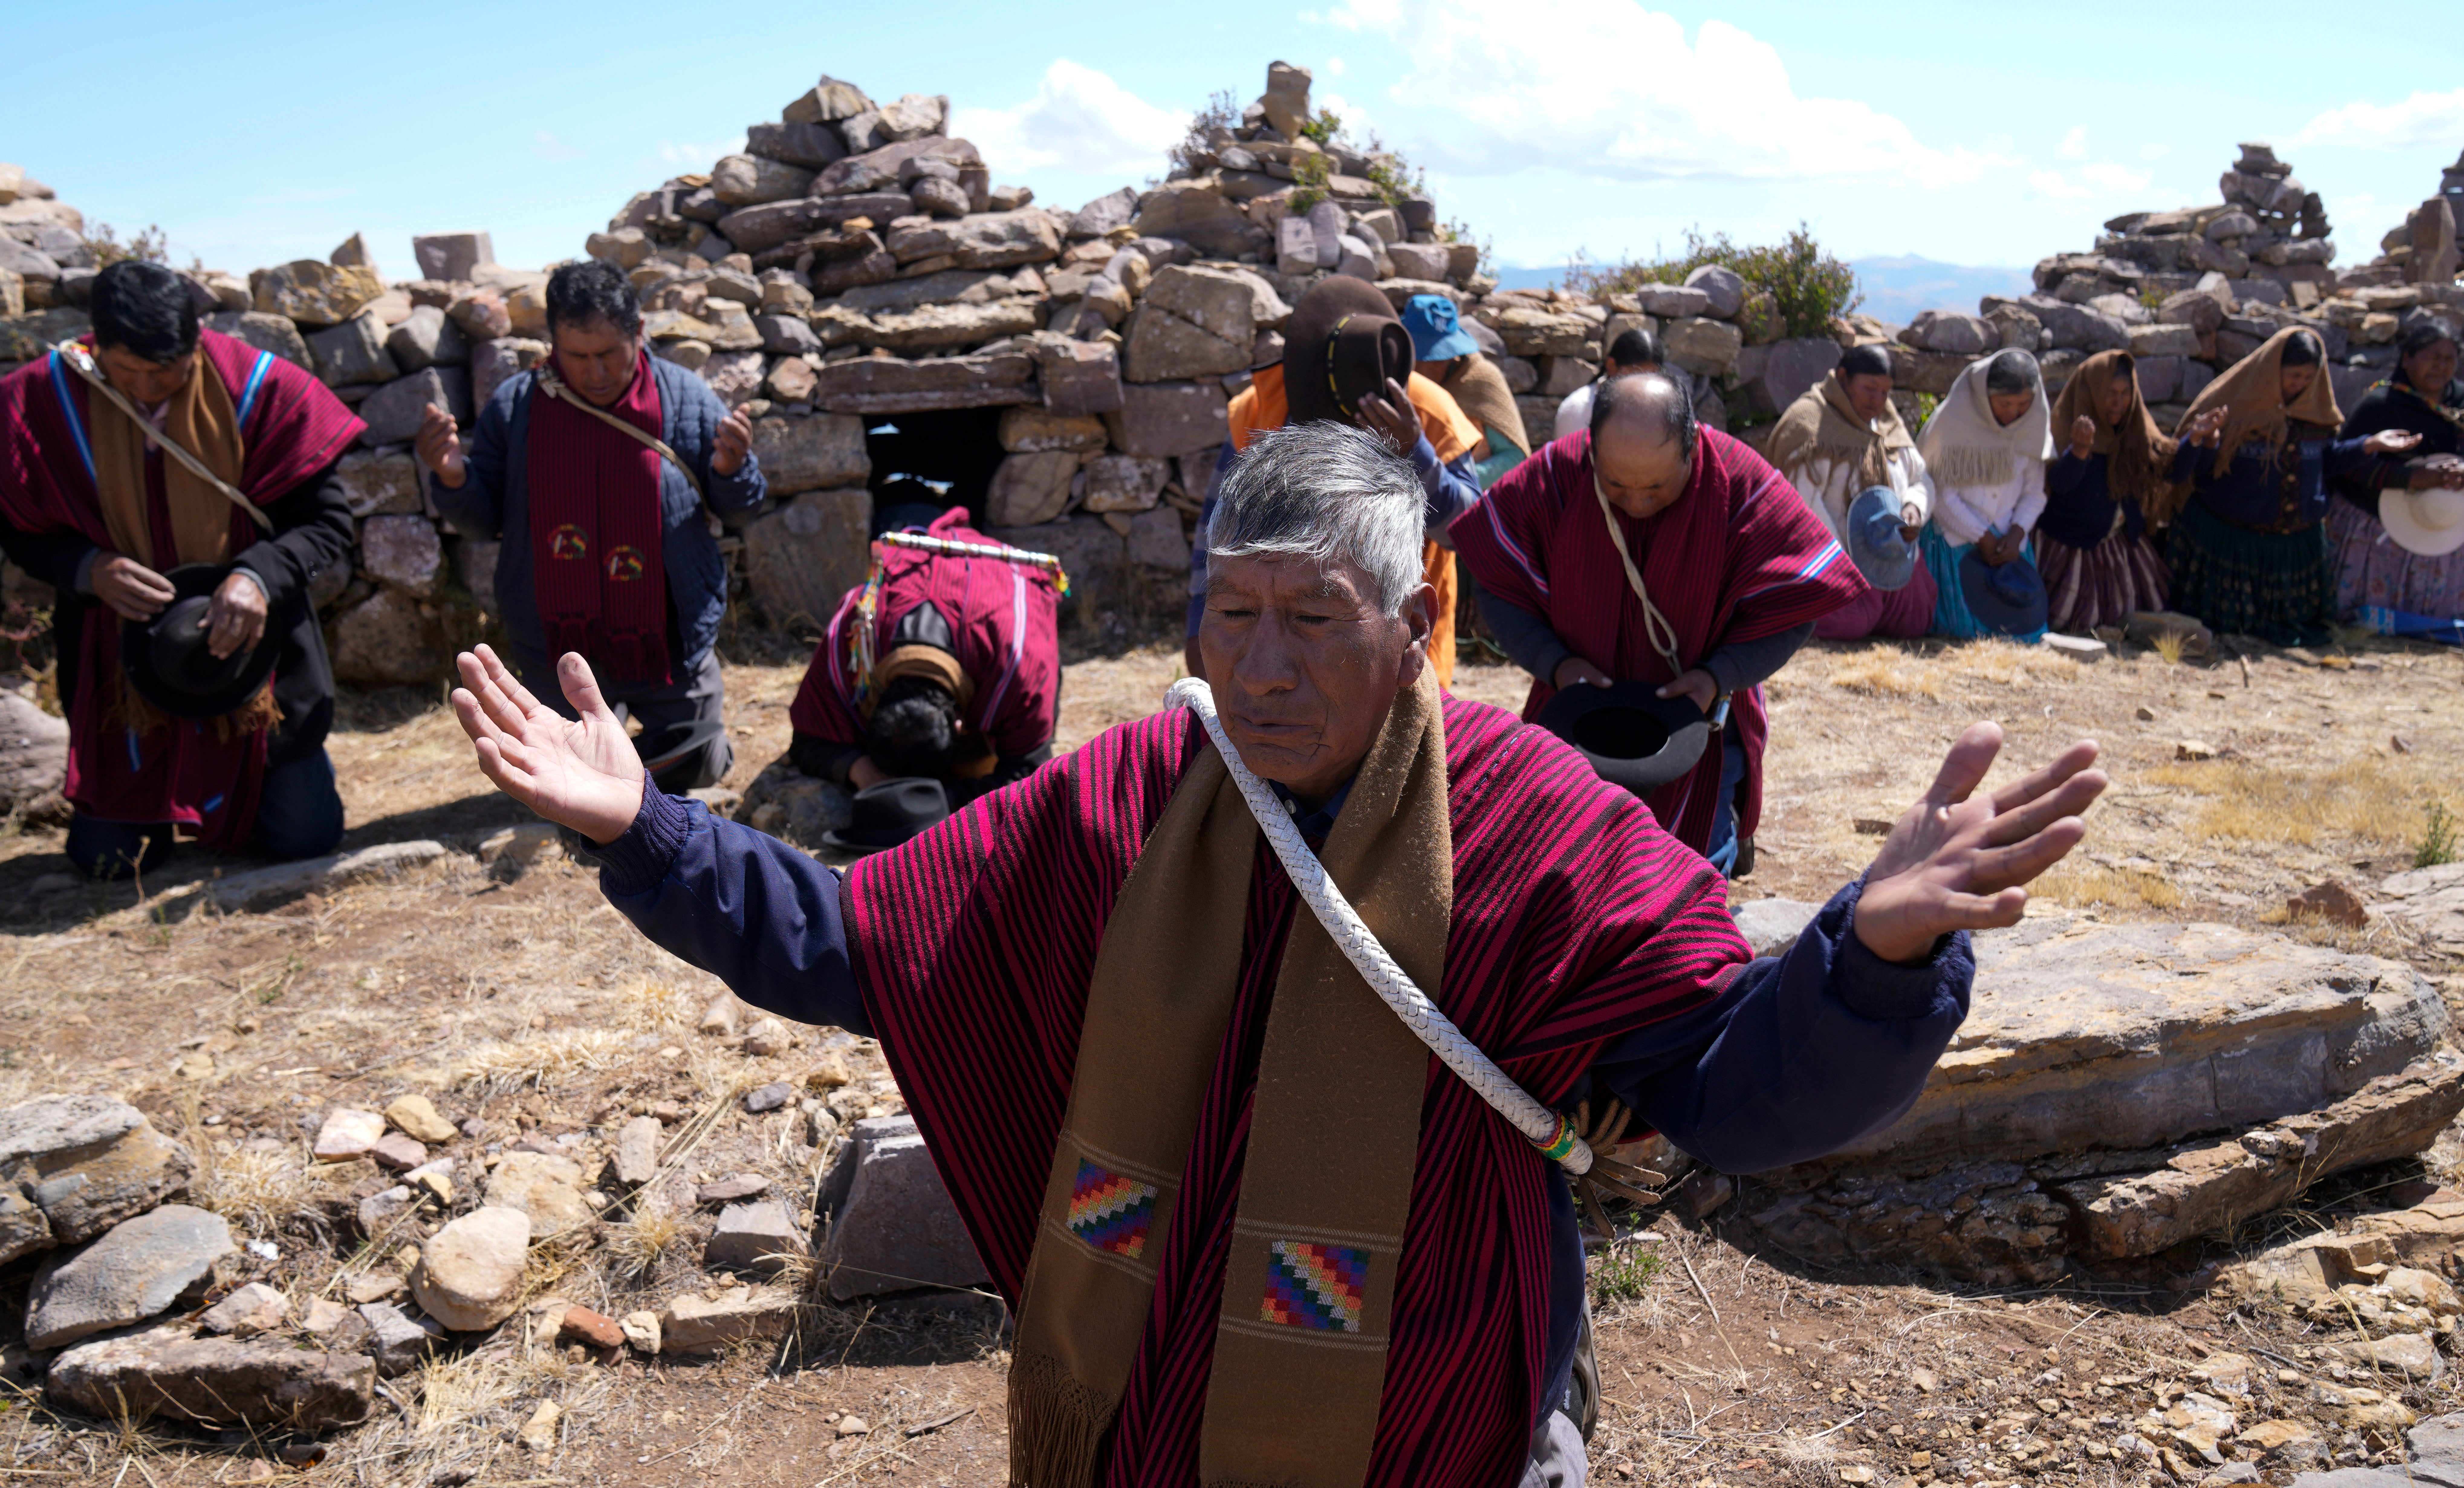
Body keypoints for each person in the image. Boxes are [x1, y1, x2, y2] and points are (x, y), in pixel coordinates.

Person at [447, 419, 2105, 1488]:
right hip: (1149, 1412)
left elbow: (1736, 1090)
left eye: (1313, 617)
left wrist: (1871, 960)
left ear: (1411, 623)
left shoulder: (1529, 826)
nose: (1261, 665)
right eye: (1232, 613)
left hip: (1430, 1423)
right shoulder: (1125, 797)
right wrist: (644, 828)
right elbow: (855, 936)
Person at [0, 261, 360, 878]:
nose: (144, 388)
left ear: (196, 344)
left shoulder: (260, 391)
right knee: (110, 862)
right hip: (121, 662)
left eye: (164, 371)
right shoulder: (44, 400)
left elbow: (326, 523)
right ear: (96, 345)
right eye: (126, 370)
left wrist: (256, 577)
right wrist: (86, 567)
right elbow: (19, 527)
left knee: (304, 837)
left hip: (250, 659)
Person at [1453, 372, 1865, 874]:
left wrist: (1719, 675)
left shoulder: (1740, 483)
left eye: (1656, 487)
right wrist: (1553, 663)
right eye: (1616, 485)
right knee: (1562, 862)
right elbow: (1496, 573)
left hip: (1695, 722)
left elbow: (1799, 599)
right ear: (1591, 451)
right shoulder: (1559, 473)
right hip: (1578, 714)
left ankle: (1723, 844)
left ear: (1691, 448)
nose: (1638, 503)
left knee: (1688, 872)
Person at [418, 259, 767, 792]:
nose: (595, 373)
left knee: (699, 758)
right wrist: (452, 476)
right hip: (556, 643)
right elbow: (482, 522)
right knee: (569, 783)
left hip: (667, 640)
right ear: (553, 343)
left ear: (639, 332)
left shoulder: (685, 399)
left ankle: (647, 802)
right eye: (577, 357)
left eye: (609, 354)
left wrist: (731, 472)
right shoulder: (516, 409)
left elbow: (739, 511)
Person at [1187, 276, 1483, 687]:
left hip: (1401, 653)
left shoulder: (1428, 411)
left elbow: (1471, 532)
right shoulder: (1264, 404)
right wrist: (1199, 624)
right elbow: (1216, 529)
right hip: (1269, 644)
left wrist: (1415, 452)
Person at [784, 507, 1061, 808]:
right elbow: (807, 737)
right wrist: (857, 768)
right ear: (869, 706)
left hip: (997, 585)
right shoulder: (854, 639)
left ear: (961, 726)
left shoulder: (1020, 664)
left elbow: (1028, 772)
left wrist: (943, 802)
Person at [2167, 327, 2421, 647]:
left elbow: (2327, 462)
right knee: (2227, 629)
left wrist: (2370, 445)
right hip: (2232, 541)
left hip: (2293, 543)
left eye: (2308, 378)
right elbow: (2193, 471)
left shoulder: (2316, 416)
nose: (2300, 385)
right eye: (2293, 376)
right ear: (2272, 372)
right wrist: (2204, 440)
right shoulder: (2234, 411)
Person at [1764, 344, 1939, 640]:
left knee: (1916, 618)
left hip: (1887, 554)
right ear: (1843, 378)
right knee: (1851, 622)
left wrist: (1914, 508)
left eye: (1885, 392)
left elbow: (1920, 478)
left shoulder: (1887, 424)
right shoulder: (1809, 426)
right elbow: (1802, 506)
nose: (1878, 400)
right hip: (1830, 561)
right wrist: (1844, 566)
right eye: (1869, 389)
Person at [2038, 350, 2198, 633]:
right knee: (2072, 620)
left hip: (2118, 547)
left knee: (2139, 613)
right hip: (2070, 547)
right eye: (2111, 394)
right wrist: (2079, 451)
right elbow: (2059, 485)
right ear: (2092, 393)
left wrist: (2195, 440)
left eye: (2126, 394)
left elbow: (2169, 471)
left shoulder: (2135, 434)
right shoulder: (2067, 430)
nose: (2119, 403)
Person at [2328, 321, 2464, 628]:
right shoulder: (2380, 406)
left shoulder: (2461, 403)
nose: (2441, 367)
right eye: (2433, 357)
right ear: (2407, 359)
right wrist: (2411, 478)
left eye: (2449, 359)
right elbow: (2345, 465)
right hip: (2376, 522)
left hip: (2446, 521)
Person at [1916, 350, 2053, 642]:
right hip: (1956, 538)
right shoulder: (1952, 426)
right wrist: (1983, 538)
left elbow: (2034, 492)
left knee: (2027, 635)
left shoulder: (2030, 429)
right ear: (1982, 395)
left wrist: (2015, 536)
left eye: (2023, 405)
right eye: (2004, 404)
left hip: (2009, 546)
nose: (2014, 414)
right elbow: (1941, 493)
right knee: (1964, 632)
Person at [1401, 293, 1532, 491]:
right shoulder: (1398, 380)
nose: (1422, 369)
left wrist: (1450, 483)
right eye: (1417, 357)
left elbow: (1514, 458)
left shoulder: (1482, 380)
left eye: (1435, 359)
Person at [1553, 328, 1664, 443]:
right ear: (1611, 366)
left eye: (1652, 376)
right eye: (1635, 376)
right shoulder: (1578, 409)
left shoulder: (1661, 410)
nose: (1643, 385)